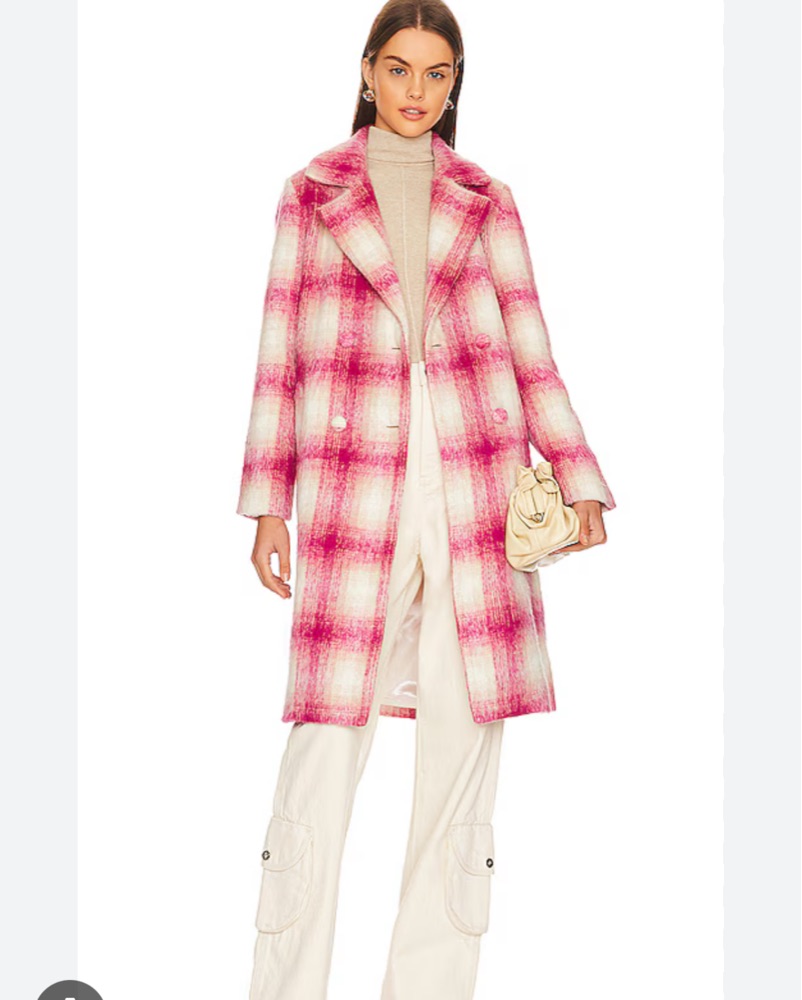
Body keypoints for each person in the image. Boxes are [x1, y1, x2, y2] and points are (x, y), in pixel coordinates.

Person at [236, 1, 616, 997]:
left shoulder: (487, 198)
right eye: (398, 69)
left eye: (435, 73)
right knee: (326, 742)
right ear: (367, 72)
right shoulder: (312, 192)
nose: (415, 90)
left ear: (455, 84)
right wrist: (268, 500)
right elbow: (279, 354)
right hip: (352, 478)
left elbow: (531, 348)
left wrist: (576, 474)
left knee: (462, 745)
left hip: (476, 475)